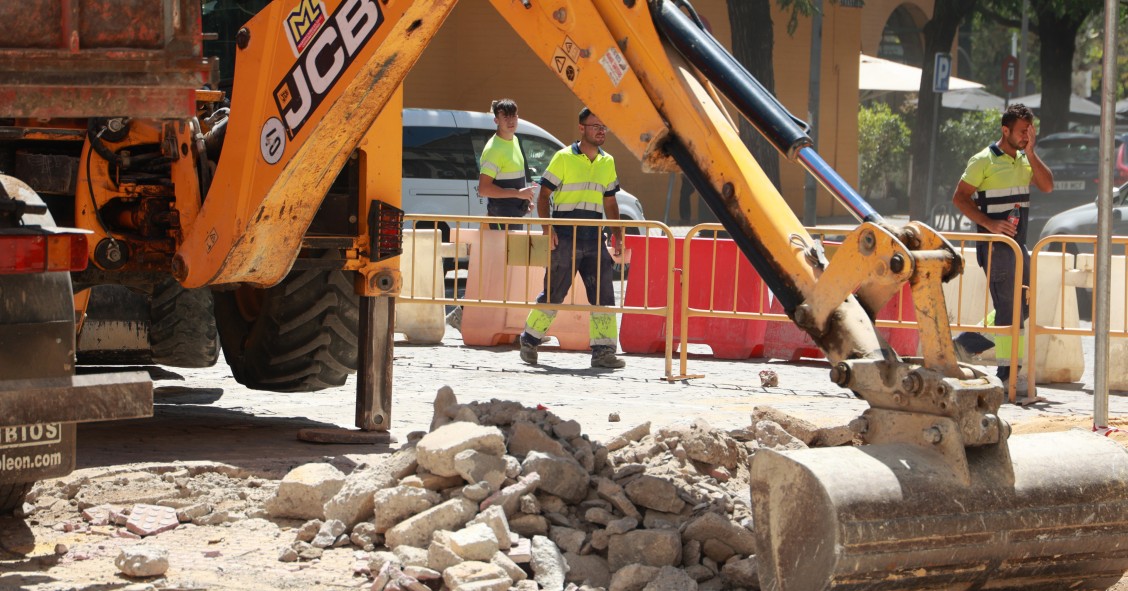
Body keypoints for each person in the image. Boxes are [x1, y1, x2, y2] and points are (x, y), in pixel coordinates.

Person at [950, 103, 1053, 395]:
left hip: (1018, 246)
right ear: (1004, 130)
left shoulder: (1024, 159)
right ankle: (1009, 375)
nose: (1026, 136)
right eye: (1022, 132)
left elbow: (1047, 186)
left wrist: (1031, 152)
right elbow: (959, 198)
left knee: (1023, 306)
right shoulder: (983, 160)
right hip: (996, 248)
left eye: (1030, 131)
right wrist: (990, 224)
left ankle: (967, 343)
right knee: (1009, 309)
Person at [518, 107, 626, 369]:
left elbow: (610, 202)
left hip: (593, 237)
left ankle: (603, 352)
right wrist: (548, 229)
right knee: (555, 292)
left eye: (604, 126)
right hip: (565, 235)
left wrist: (617, 235)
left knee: (604, 295)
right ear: (581, 129)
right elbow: (544, 196)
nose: (601, 131)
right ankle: (529, 340)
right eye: (595, 126)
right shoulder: (563, 158)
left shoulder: (607, 161)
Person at [446, 98, 538, 331]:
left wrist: (523, 200)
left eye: (514, 115)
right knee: (500, 272)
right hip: (499, 218)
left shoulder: (514, 141)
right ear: (496, 120)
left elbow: (513, 179)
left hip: (512, 216)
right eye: (505, 116)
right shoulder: (494, 149)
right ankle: (467, 314)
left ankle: (511, 322)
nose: (511, 121)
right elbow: (484, 188)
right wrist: (518, 194)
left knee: (510, 271)